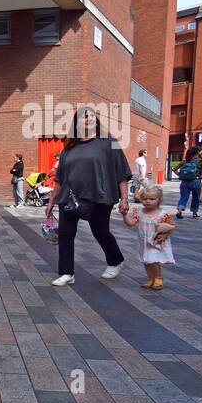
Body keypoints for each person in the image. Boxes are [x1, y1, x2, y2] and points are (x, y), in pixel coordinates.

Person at [44, 105, 131, 286]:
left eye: (92, 116)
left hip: (99, 196)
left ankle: (115, 261)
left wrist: (124, 199)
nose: (89, 119)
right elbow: (60, 177)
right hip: (69, 197)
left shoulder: (109, 141)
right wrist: (52, 200)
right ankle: (67, 273)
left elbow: (121, 171)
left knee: (100, 231)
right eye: (84, 117)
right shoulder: (69, 147)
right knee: (66, 235)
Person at [120, 183, 174, 290]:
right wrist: (125, 215)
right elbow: (131, 223)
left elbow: (171, 226)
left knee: (153, 260)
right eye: (144, 199)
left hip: (155, 241)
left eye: (151, 199)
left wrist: (165, 234)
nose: (147, 201)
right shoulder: (139, 212)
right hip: (143, 242)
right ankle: (150, 278)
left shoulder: (163, 214)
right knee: (146, 261)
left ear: (159, 199)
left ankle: (158, 277)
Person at [174, 147, 202, 219]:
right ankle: (195, 212)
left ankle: (179, 210)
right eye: (201, 151)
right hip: (196, 181)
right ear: (198, 152)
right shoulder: (201, 161)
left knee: (183, 197)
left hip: (184, 182)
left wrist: (180, 175)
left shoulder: (185, 161)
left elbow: (174, 169)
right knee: (196, 197)